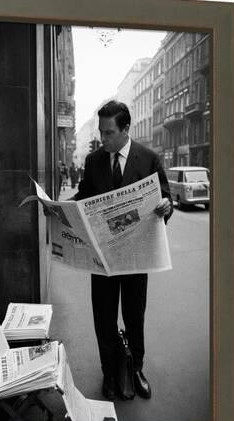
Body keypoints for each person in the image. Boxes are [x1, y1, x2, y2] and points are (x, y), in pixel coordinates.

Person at [73, 100, 173, 401]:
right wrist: (62, 210)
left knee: (134, 316)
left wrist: (166, 207)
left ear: (125, 129)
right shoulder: (93, 161)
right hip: (102, 257)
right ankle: (109, 374)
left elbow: (165, 198)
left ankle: (136, 368)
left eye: (109, 132)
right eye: (101, 132)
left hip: (136, 255)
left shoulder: (149, 159)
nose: (103, 139)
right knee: (103, 318)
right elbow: (84, 196)